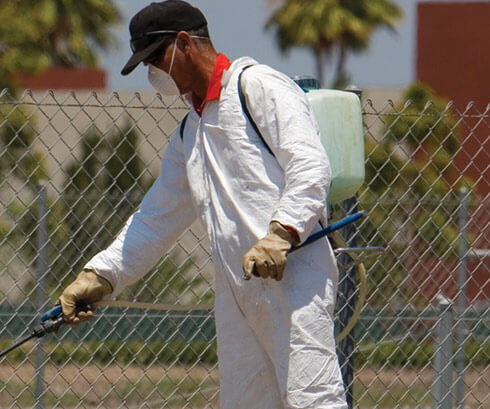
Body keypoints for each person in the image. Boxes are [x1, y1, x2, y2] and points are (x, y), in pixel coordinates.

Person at [57, 1, 347, 408]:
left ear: (184, 43)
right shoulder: (190, 132)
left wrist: (281, 233)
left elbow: (311, 166)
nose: (151, 73)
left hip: (295, 281)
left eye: (155, 58)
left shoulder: (259, 87)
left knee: (313, 401)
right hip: (237, 293)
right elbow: (154, 220)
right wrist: (100, 275)